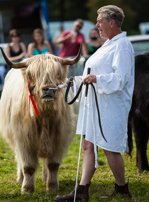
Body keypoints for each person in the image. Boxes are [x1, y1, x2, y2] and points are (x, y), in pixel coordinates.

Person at [54, 5, 134, 202]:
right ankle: (81, 191)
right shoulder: (108, 44)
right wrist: (75, 82)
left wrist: (97, 79)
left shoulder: (122, 46)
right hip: (95, 104)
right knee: (88, 144)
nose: (97, 25)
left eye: (100, 21)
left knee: (110, 149)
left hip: (111, 105)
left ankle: (122, 188)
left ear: (112, 22)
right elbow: (92, 73)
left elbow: (120, 78)